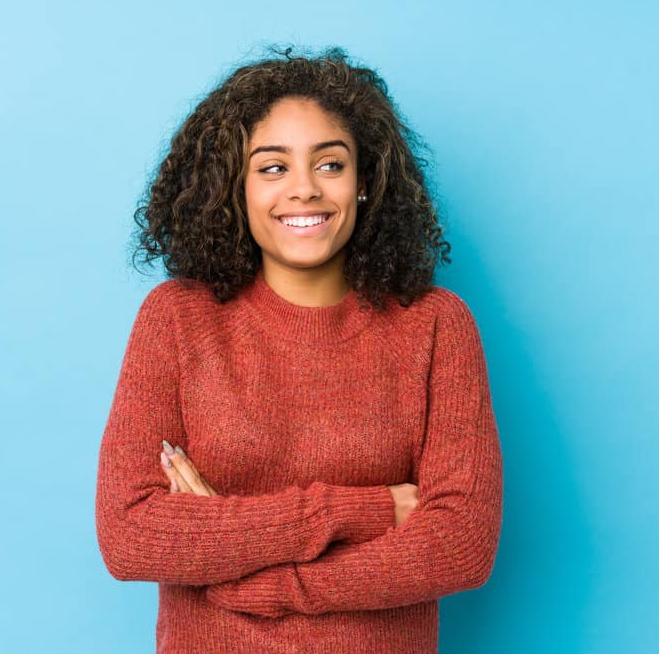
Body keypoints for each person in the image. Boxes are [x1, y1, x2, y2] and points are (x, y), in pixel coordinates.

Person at [94, 46, 504, 653]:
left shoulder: (436, 327)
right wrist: (363, 512)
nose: (305, 190)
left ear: (365, 183)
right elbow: (131, 534)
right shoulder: (178, 320)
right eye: (273, 167)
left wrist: (267, 579)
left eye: (330, 165)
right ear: (235, 187)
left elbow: (460, 544)